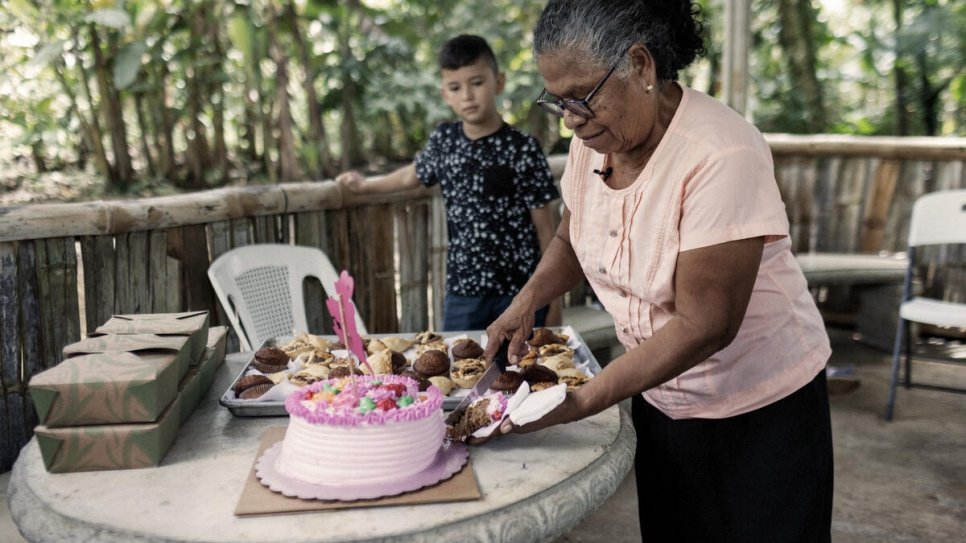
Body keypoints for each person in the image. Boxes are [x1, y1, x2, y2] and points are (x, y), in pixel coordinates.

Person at [481, 2, 834, 542]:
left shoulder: (720, 153)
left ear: (641, 67)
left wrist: (582, 400)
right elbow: (570, 239)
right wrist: (525, 300)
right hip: (662, 395)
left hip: (763, 410)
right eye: (557, 100)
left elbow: (705, 324)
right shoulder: (593, 142)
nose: (571, 118)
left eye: (581, 97)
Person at [336, 34, 561, 331]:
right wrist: (365, 185)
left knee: (523, 369)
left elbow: (546, 230)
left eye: (477, 83)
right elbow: (411, 175)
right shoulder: (444, 141)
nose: (467, 95)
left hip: (520, 292)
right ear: (445, 94)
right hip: (463, 292)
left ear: (499, 82)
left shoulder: (523, 148)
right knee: (457, 370)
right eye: (456, 87)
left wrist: (554, 301)